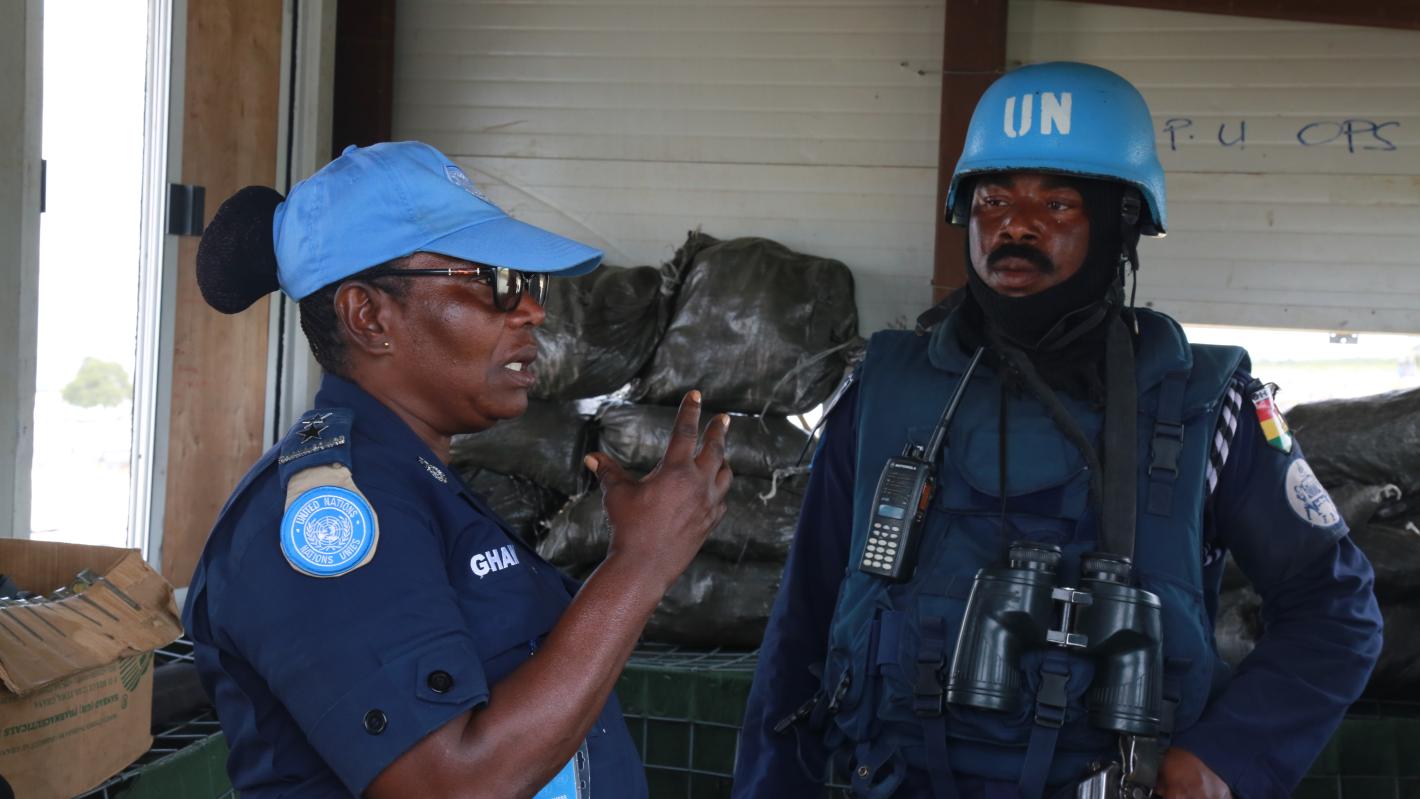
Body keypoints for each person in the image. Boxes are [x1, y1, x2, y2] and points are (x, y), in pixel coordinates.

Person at [733, 62, 1383, 799]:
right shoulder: (884, 392)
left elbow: (1336, 611)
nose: (1016, 225)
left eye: (1058, 203)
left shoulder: (1208, 406)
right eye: (993, 199)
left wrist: (1224, 758)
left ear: (1120, 222)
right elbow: (803, 621)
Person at [183, 141, 733, 798]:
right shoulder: (330, 518)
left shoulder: (420, 485)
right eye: (492, 281)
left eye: (527, 283)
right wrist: (640, 564)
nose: (532, 310)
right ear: (369, 317)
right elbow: (450, 785)